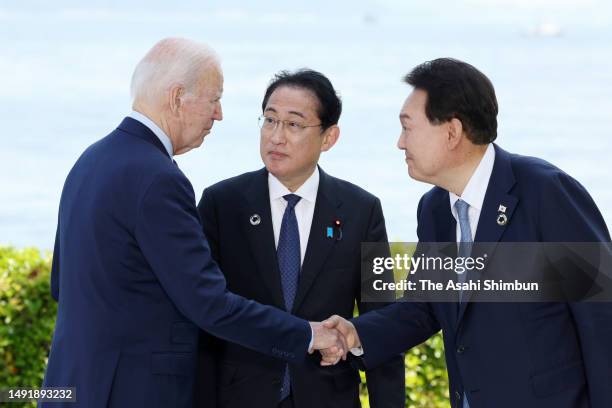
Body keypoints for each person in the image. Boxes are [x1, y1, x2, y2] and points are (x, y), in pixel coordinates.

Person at [40, 38, 346, 408]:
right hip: (131, 392)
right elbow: (209, 305)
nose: (218, 114)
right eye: (214, 98)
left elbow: (62, 282)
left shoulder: (90, 161)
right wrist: (308, 335)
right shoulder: (158, 179)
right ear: (176, 98)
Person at [322, 58, 612, 408]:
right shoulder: (433, 210)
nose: (400, 142)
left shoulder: (545, 192)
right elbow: (424, 306)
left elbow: (601, 317)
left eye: (408, 127)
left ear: (452, 131)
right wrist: (357, 333)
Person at [192, 69, 405, 408]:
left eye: (293, 125)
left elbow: (382, 323)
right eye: (270, 120)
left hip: (327, 397)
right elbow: (201, 315)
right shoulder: (222, 203)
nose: (276, 137)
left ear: (328, 137)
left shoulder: (360, 211)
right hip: (238, 396)